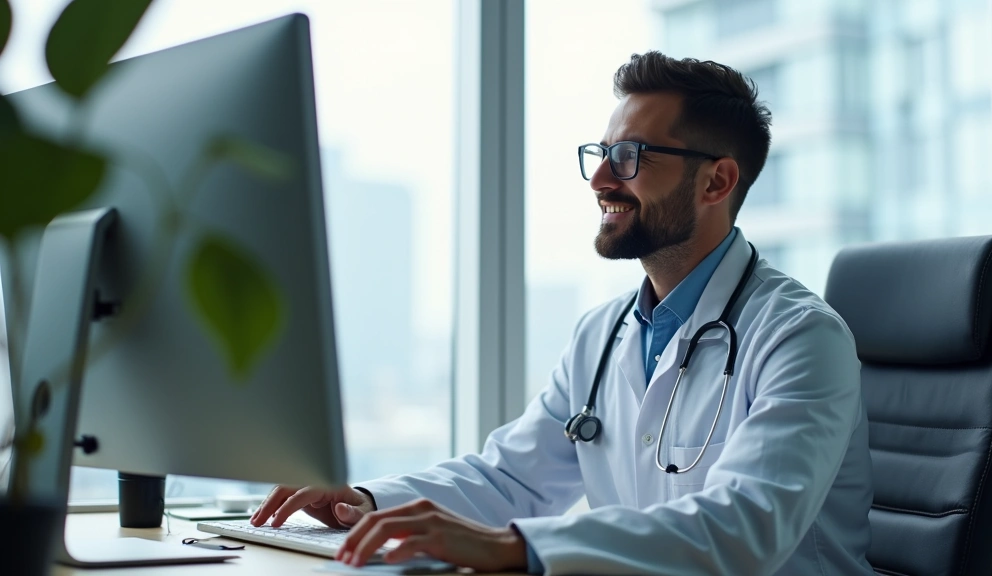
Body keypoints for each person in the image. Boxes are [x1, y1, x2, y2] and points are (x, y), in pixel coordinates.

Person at [251, 51, 873, 575]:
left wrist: (516, 548)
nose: (600, 177)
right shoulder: (602, 334)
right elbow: (511, 481)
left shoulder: (799, 337)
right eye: (600, 153)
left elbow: (746, 527)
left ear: (717, 182)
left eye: (630, 156)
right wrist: (361, 501)